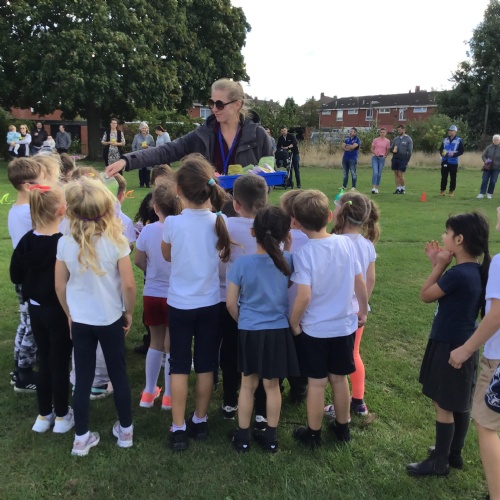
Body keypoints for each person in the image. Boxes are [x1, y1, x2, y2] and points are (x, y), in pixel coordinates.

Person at [55, 177, 136, 456]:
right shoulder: (117, 242)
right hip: (110, 319)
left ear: (71, 210)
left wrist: (69, 313)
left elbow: (59, 285)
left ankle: (81, 438)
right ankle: (126, 431)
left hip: (81, 321)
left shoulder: (65, 244)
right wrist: (128, 312)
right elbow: (129, 285)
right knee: (118, 374)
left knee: (82, 377)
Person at [406, 212, 490, 477]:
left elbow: (425, 295)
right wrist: (439, 264)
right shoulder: (476, 270)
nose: (443, 237)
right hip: (464, 344)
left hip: (449, 345)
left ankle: (439, 462)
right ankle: (454, 453)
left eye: (447, 232)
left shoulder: (457, 274)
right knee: (460, 402)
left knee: (443, 404)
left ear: (459, 239)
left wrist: (439, 266)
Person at [161, 154, 231, 452]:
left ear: (178, 190)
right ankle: (199, 421)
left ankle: (178, 427)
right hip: (210, 304)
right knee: (205, 364)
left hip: (180, 305)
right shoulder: (219, 220)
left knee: (178, 365)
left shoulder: (173, 223)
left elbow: (167, 255)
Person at [289, 190, 368, 448]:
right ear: (330, 216)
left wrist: (294, 322)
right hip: (344, 326)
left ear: (296, 222)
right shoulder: (347, 244)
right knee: (339, 378)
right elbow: (360, 282)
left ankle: (313, 434)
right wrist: (363, 310)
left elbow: (303, 295)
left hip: (315, 330)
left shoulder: (303, 254)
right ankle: (342, 428)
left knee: (316, 383)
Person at [227, 206, 299, 453]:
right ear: (286, 235)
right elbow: (285, 282)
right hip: (277, 332)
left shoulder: (242, 264)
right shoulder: (288, 261)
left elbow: (230, 303)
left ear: (252, 232)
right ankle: (270, 438)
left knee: (247, 385)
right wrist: (288, 248)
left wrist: (244, 321)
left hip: (249, 330)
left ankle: (243, 437)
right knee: (272, 386)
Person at [104, 79, 272, 177]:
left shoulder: (258, 135)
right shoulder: (203, 134)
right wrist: (126, 161)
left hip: (246, 217)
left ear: (237, 104)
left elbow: (271, 172)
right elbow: (166, 151)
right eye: (211, 103)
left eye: (220, 104)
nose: (214, 109)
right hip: (210, 214)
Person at [10, 182, 73, 434]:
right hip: (59, 310)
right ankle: (61, 416)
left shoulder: (27, 241)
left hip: (36, 310)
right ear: (62, 210)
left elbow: (15, 274)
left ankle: (44, 414)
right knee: (59, 362)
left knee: (44, 359)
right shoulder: (63, 243)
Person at [449, 206, 500, 500]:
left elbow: (496, 316)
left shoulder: (499, 263)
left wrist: (466, 348)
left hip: (497, 360)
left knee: (486, 423)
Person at [324, 192, 379, 419]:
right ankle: (358, 401)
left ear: (342, 212)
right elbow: (370, 279)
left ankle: (345, 404)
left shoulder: (333, 242)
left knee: (338, 361)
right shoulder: (367, 245)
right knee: (354, 353)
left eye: (336, 206)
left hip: (338, 311)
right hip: (357, 311)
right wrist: (362, 306)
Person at [220, 175, 268, 421]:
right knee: (261, 357)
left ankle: (230, 401)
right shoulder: (272, 226)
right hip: (264, 305)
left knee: (230, 352)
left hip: (233, 303)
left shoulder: (226, 225)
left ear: (236, 203)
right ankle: (261, 409)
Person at [135, 182, 182, 410]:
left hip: (152, 293)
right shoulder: (181, 229)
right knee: (171, 345)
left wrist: (150, 272)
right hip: (174, 294)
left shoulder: (148, 230)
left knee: (155, 343)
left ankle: (148, 391)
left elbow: (138, 259)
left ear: (155, 208)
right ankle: (169, 396)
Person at [7, 157, 46, 392]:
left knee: (25, 321)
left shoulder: (17, 209)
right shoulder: (26, 214)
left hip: (23, 274)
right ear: (27, 185)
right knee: (32, 324)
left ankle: (19, 366)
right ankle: (24, 373)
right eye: (40, 183)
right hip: (32, 276)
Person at [439, 125, 464, 197]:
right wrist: (442, 153)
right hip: (445, 160)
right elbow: (441, 149)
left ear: (455, 132)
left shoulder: (459, 140)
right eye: (449, 130)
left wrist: (454, 154)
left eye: (451, 131)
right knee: (444, 177)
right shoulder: (445, 140)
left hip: (453, 162)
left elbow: (461, 151)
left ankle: (451, 191)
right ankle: (442, 191)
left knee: (453, 177)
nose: (449, 132)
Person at [391, 124, 413, 194]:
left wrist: (407, 160)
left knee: (400, 174)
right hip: (395, 158)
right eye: (398, 130)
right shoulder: (396, 139)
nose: (399, 131)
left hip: (403, 159)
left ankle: (403, 188)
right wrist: (393, 150)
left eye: (400, 130)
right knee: (396, 174)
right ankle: (398, 189)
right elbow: (391, 148)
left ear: (404, 130)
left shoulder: (408, 139)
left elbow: (410, 151)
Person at [132, 122, 155, 188]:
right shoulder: (136, 136)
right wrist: (135, 153)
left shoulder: (150, 137)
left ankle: (147, 183)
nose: (144, 130)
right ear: (140, 129)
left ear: (147, 129)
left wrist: (147, 147)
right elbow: (133, 146)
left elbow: (153, 146)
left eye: (145, 128)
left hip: (148, 155)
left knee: (148, 169)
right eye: (142, 128)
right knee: (141, 169)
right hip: (139, 154)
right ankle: (141, 183)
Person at [477, 134, 500, 199]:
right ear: (492, 140)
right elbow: (483, 155)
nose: (496, 141)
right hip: (487, 167)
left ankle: (489, 193)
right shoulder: (489, 147)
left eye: (497, 140)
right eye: (494, 140)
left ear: (499, 141)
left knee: (493, 181)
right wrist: (486, 160)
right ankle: (481, 193)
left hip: (496, 168)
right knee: (484, 180)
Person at [370, 128, 390, 194]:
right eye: (381, 132)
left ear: (385, 133)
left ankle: (376, 188)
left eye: (383, 132)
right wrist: (375, 153)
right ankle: (373, 188)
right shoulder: (376, 140)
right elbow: (372, 149)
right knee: (375, 172)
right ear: (379, 133)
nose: (382, 133)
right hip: (375, 157)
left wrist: (385, 155)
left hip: (382, 158)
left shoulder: (387, 141)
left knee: (379, 174)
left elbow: (388, 150)